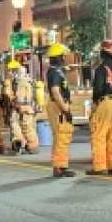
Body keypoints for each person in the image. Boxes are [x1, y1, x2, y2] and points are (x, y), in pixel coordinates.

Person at [88, 41, 112, 176]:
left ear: (102, 52)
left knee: (99, 134)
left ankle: (99, 167)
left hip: (105, 103)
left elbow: (98, 89)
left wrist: (94, 105)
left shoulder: (101, 69)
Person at [44, 44, 75, 178]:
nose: (64, 58)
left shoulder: (56, 71)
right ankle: (59, 168)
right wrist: (65, 109)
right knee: (61, 136)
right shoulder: (54, 72)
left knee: (60, 137)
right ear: (58, 57)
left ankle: (60, 166)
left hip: (58, 106)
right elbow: (56, 92)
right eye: (63, 56)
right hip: (58, 107)